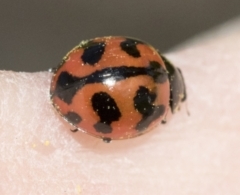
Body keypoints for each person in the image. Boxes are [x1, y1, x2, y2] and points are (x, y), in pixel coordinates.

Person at [1, 19, 240, 194]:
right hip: (72, 90)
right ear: (172, 101)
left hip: (69, 76)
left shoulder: (148, 54)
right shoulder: (157, 105)